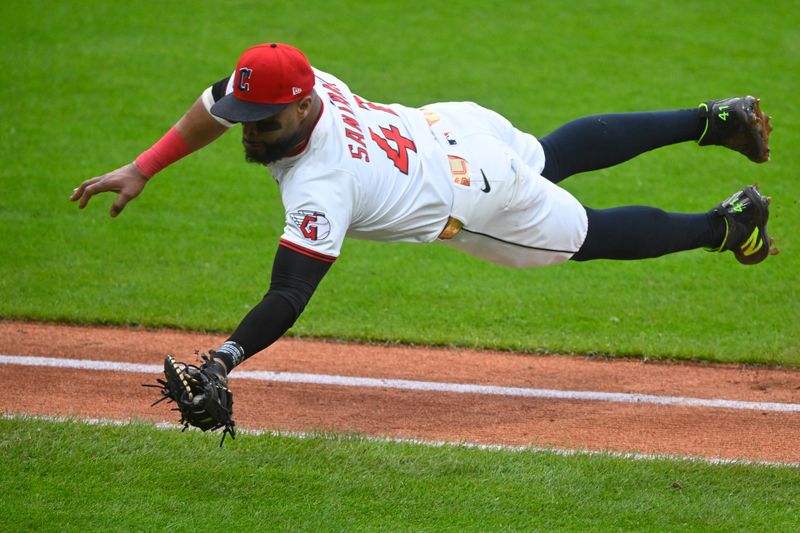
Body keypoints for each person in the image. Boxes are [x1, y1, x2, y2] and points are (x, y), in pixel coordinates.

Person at [71, 42, 776, 390]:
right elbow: (216, 101)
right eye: (245, 119)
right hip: (456, 126)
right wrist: (145, 164)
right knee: (548, 152)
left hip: (476, 196)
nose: (249, 131)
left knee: (581, 236)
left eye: (264, 122)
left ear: (305, 105)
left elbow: (289, 292)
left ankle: (728, 224)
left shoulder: (321, 184)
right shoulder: (302, 84)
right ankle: (714, 120)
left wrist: (226, 358)